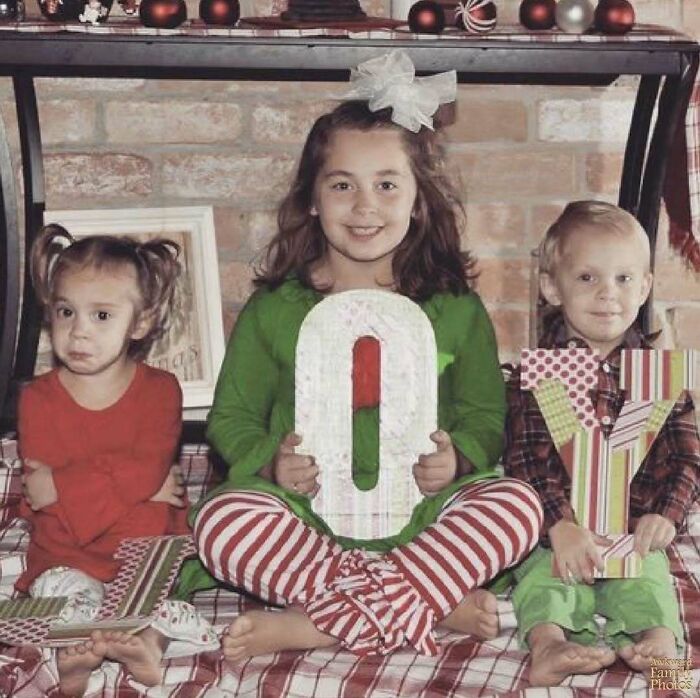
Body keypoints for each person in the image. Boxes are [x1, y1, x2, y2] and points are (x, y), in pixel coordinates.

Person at [178, 50, 544, 660]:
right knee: (222, 523)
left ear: (418, 201)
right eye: (343, 185)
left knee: (517, 506)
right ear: (312, 199)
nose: (365, 206)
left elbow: (485, 413)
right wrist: (270, 464)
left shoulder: (454, 308)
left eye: (387, 185)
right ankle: (424, 602)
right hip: (306, 525)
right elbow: (232, 417)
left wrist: (457, 457)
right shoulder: (275, 308)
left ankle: (322, 621)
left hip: (423, 522)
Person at [503, 200, 700, 686]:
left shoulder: (658, 376)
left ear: (645, 287)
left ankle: (659, 645)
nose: (608, 293)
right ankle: (550, 645)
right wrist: (559, 524)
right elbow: (524, 461)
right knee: (542, 580)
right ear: (553, 287)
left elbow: (687, 457)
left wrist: (666, 514)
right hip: (559, 534)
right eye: (588, 277)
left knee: (650, 582)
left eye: (624, 278)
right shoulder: (537, 376)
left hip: (631, 532)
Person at [18, 225, 217, 697]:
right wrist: (140, 484)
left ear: (140, 323)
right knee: (64, 594)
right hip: (66, 552)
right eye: (66, 311)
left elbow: (142, 468)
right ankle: (75, 661)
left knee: (167, 604)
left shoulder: (161, 391)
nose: (79, 330)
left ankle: (146, 644)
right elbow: (44, 499)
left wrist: (66, 483)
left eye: (102, 315)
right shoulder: (37, 399)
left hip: (141, 549)